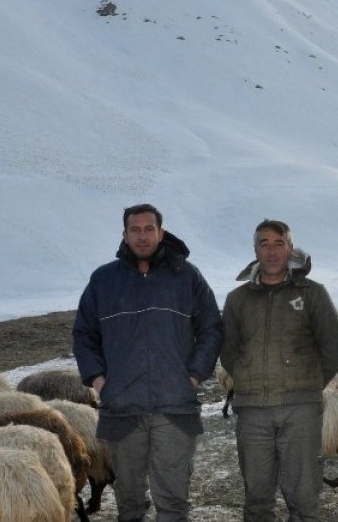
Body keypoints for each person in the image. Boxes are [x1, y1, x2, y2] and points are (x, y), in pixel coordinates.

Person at [72, 203, 223, 522]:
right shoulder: (103, 280)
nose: (142, 236)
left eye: (149, 229)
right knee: (128, 501)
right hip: (122, 408)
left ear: (161, 233)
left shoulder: (186, 277)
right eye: (135, 230)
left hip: (174, 407)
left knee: (172, 500)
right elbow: (84, 334)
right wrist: (99, 380)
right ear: (125, 235)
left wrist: (194, 376)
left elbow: (211, 327)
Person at [220, 219, 338, 522]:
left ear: (290, 248)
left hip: (300, 411)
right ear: (255, 250)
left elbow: (334, 348)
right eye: (264, 244)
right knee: (257, 499)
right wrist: (250, 379)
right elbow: (228, 352)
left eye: (279, 243)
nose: (272, 251)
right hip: (253, 412)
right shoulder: (237, 300)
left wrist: (308, 385)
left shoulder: (313, 293)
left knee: (303, 498)